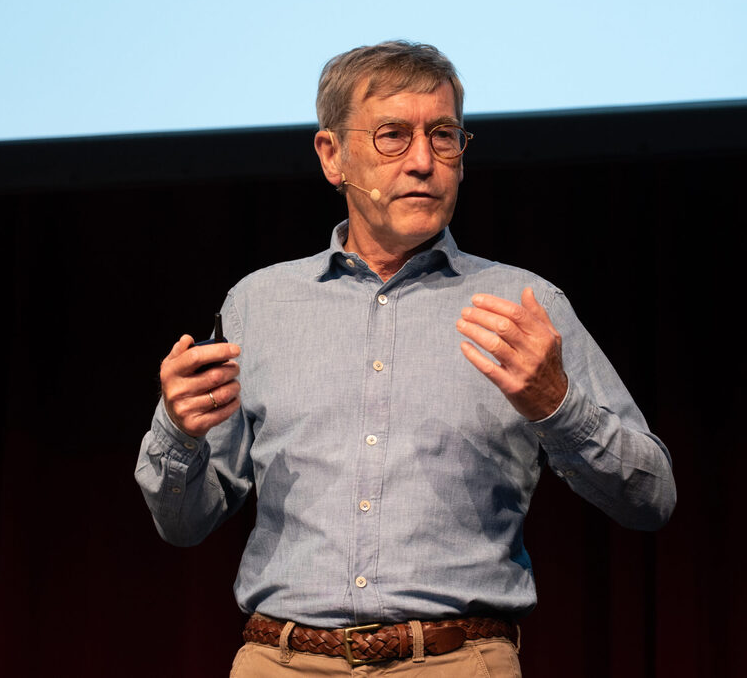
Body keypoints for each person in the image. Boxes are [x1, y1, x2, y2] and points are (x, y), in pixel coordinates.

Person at [136, 41, 676, 676]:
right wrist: (178, 432)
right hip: (281, 661)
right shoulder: (258, 305)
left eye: (443, 136)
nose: (423, 161)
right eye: (392, 136)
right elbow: (184, 524)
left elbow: (651, 497)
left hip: (455, 661)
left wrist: (558, 407)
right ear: (331, 155)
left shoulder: (525, 306)